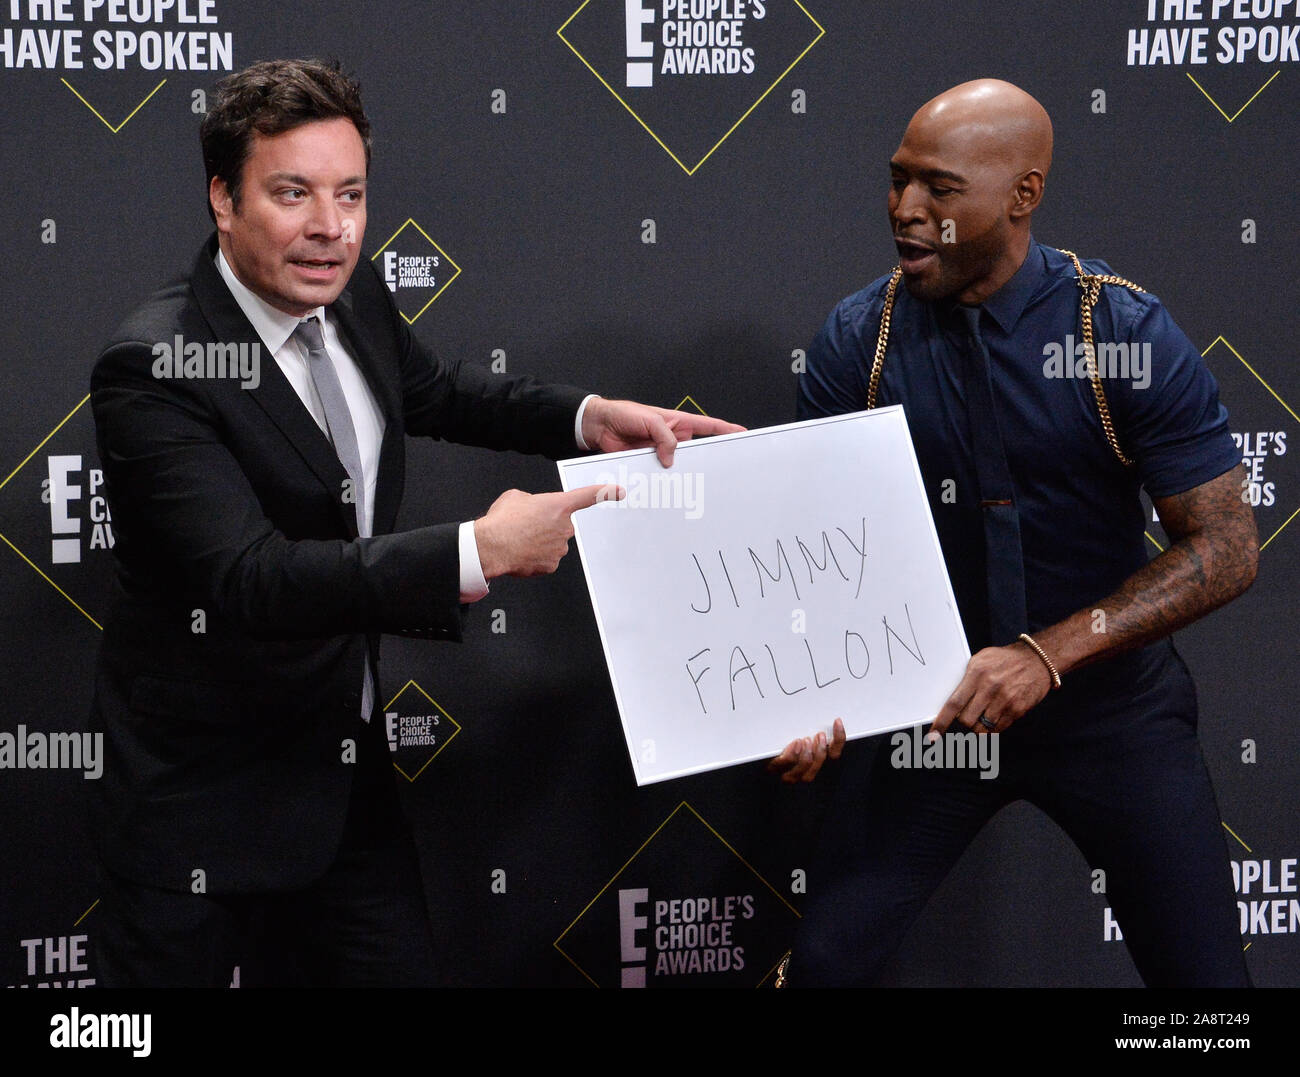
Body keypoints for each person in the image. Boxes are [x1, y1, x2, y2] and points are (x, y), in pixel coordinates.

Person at [87, 57, 741, 987]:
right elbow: (249, 578)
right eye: (292, 193)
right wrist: (481, 550)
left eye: (349, 194)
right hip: (197, 809)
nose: (331, 227)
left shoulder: (348, 294)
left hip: (343, 788)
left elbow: (437, 390)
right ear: (222, 201)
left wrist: (589, 418)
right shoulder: (157, 364)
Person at [769, 79, 1257, 987]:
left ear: (1021, 196)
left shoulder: (1118, 334)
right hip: (936, 720)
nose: (905, 211)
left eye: (940, 190)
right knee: (827, 967)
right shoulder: (856, 343)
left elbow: (1226, 548)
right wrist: (809, 694)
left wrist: (1047, 653)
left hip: (1112, 713)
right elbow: (819, 560)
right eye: (897, 180)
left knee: (1207, 996)